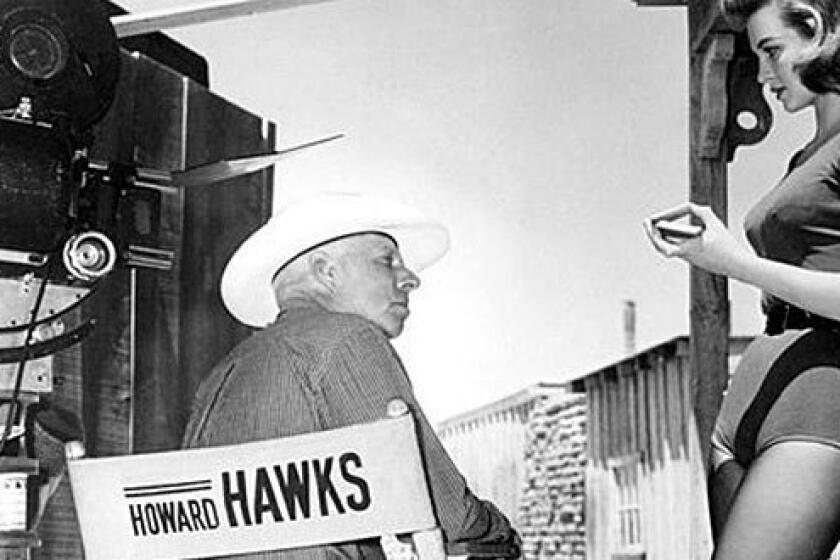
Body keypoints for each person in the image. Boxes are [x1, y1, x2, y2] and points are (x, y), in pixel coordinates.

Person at [182, 192, 519, 559]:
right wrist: (501, 531)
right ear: (327, 271)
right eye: (386, 261)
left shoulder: (221, 375)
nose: (410, 280)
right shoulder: (347, 339)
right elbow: (451, 514)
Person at [644, 1, 840, 559]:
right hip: (753, 399)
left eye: (772, 51)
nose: (761, 75)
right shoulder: (805, 155)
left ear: (818, 29)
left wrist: (732, 260)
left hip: (820, 398)